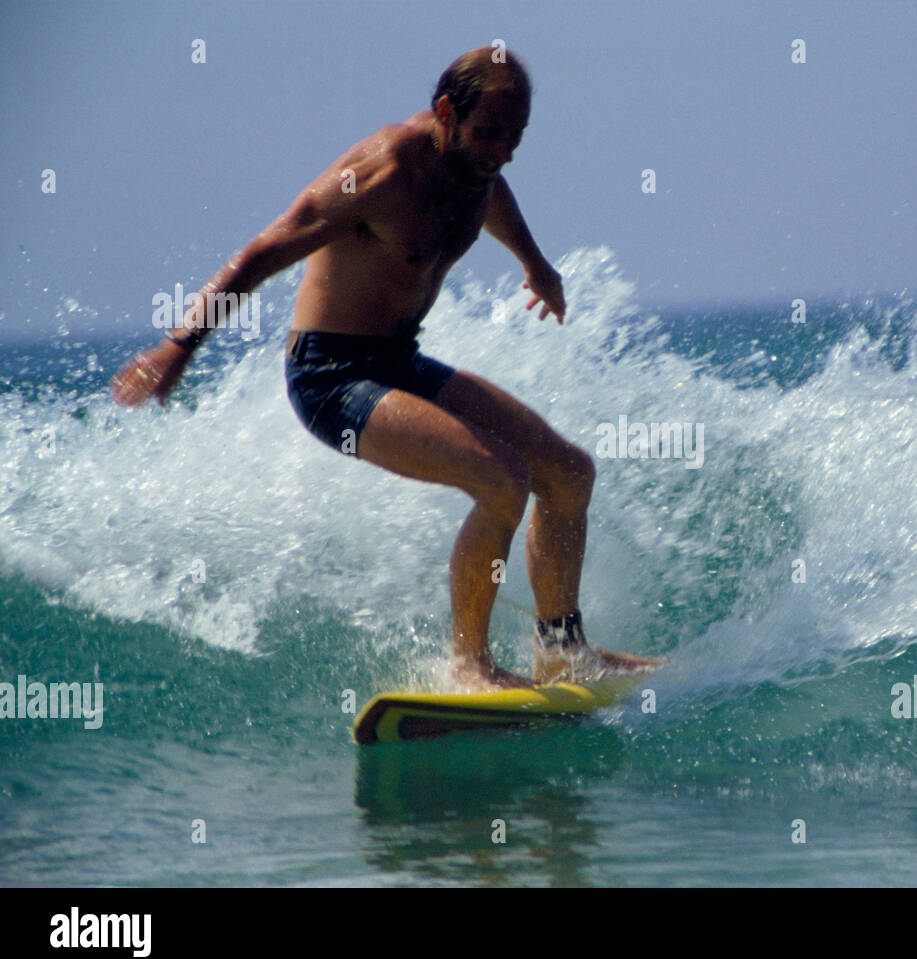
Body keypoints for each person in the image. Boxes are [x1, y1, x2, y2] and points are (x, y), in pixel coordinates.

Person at [111, 47, 663, 690]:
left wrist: (535, 264)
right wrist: (179, 346)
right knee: (503, 478)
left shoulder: (475, 167)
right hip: (331, 378)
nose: (503, 150)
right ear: (444, 112)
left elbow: (491, 195)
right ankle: (469, 665)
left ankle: (562, 650)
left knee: (569, 474)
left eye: (516, 138)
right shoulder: (383, 169)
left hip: (399, 361)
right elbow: (264, 251)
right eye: (489, 133)